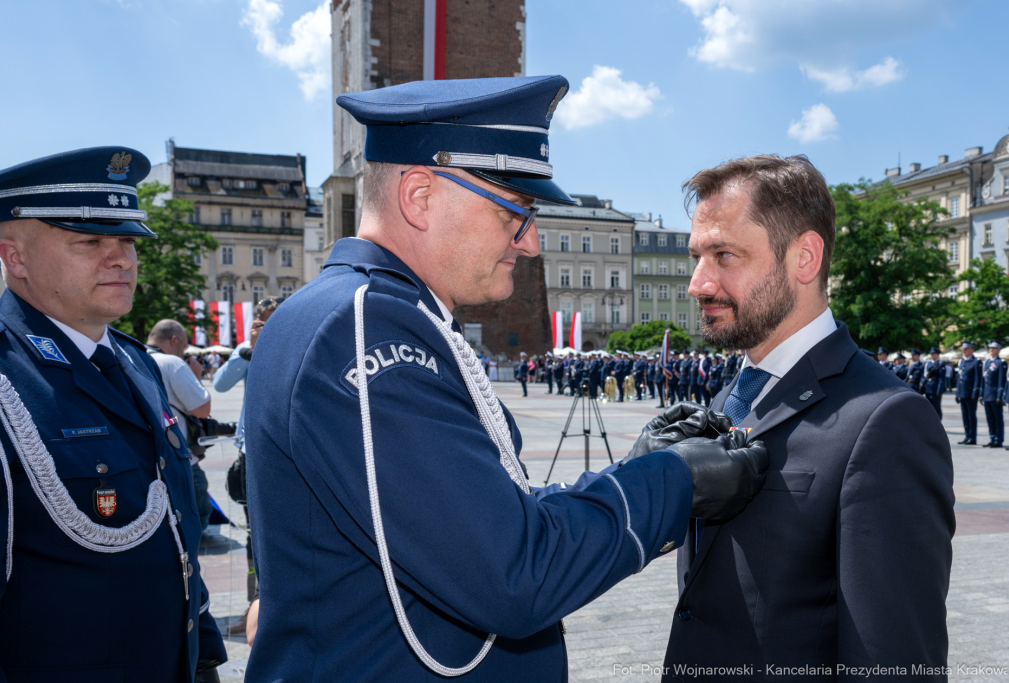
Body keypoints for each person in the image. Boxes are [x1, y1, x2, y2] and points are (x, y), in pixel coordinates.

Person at [242, 76, 769, 683]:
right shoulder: (365, 329)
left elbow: (473, 515)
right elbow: (512, 573)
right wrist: (674, 482)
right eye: (513, 212)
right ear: (419, 197)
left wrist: (634, 470)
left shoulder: (359, 313)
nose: (531, 242)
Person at [667, 154, 954, 675]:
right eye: (697, 257)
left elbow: (893, 658)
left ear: (804, 258)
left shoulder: (886, 420)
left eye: (724, 255)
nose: (698, 284)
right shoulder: (727, 398)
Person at [0, 147, 226, 681]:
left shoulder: (134, 362)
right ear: (16, 259)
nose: (121, 258)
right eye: (89, 242)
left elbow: (176, 530)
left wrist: (205, 655)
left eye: (127, 240)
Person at [210, 296, 281, 636]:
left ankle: (278, 604)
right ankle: (253, 606)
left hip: (282, 451)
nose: (267, 327)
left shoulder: (293, 340)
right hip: (251, 452)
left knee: (279, 534)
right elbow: (220, 384)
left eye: (273, 319)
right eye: (261, 321)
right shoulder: (245, 350)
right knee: (254, 536)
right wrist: (247, 349)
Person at [146, 319, 215, 531]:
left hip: (143, 458)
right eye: (183, 347)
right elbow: (202, 409)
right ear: (174, 340)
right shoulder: (172, 363)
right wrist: (196, 376)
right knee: (197, 519)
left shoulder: (127, 355)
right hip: (178, 457)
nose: (183, 353)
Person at [981, 341, 1007, 448]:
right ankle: (992, 438)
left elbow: (1001, 380)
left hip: (995, 395)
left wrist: (999, 395)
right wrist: (981, 394)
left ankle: (998, 439)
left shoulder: (1001, 363)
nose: (991, 349)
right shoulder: (987, 362)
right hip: (987, 395)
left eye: (994, 348)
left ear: (998, 350)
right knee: (990, 418)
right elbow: (984, 379)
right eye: (990, 348)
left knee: (997, 419)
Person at [956, 341, 982, 445]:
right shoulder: (962, 361)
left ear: (972, 350)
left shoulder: (976, 362)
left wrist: (975, 392)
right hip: (962, 393)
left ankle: (972, 437)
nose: (964, 351)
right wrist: (957, 393)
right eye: (963, 349)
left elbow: (977, 378)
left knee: (971, 416)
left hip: (970, 393)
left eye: (966, 349)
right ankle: (967, 436)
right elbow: (959, 378)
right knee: (965, 416)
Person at [923, 347, 945, 418]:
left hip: (935, 388)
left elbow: (941, 378)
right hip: (928, 387)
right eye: (931, 354)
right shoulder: (928, 364)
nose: (932, 355)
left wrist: (939, 389)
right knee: (928, 408)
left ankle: (938, 423)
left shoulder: (940, 364)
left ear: (937, 354)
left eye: (933, 354)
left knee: (936, 408)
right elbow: (925, 376)